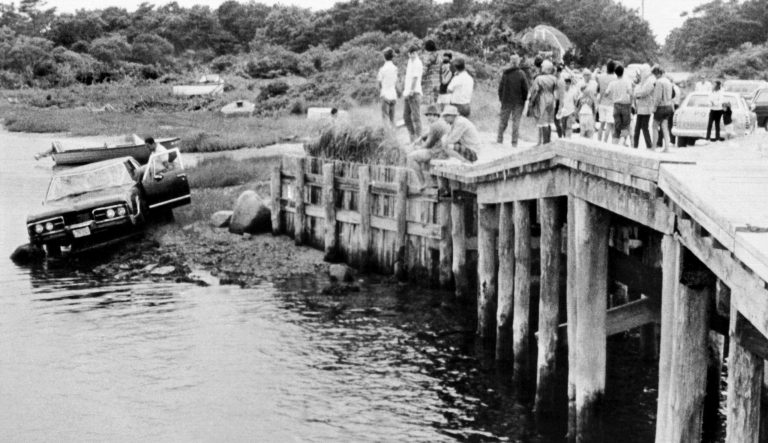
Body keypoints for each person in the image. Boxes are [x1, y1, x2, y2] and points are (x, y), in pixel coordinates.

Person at [406, 104, 451, 190]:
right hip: (445, 152)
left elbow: (427, 144)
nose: (428, 118)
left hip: (437, 153)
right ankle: (433, 181)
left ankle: (423, 183)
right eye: (427, 115)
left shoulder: (434, 126)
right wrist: (421, 138)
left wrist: (417, 147)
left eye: (430, 115)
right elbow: (430, 134)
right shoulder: (442, 122)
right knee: (421, 154)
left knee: (411, 157)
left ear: (436, 116)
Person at [497, 53, 529, 147]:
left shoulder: (505, 74)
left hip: (506, 101)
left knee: (503, 121)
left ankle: (499, 139)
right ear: (518, 62)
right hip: (518, 102)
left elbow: (500, 88)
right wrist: (524, 99)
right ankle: (514, 142)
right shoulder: (521, 74)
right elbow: (525, 89)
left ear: (510, 62)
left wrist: (501, 99)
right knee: (516, 122)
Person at [527, 60, 558, 145]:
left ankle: (544, 142)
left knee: (543, 122)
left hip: (542, 100)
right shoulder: (554, 78)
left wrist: (531, 102)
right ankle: (548, 141)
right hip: (551, 100)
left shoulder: (539, 78)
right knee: (549, 122)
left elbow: (535, 91)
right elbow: (556, 91)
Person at [604, 64, 633, 146]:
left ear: (615, 73)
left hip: (616, 105)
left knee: (617, 127)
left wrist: (612, 97)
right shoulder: (627, 82)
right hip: (625, 105)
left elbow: (606, 94)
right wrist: (631, 103)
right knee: (625, 126)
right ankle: (621, 142)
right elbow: (631, 94)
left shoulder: (612, 83)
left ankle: (615, 144)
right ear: (623, 72)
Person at [402, 45, 424, 142]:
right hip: (407, 93)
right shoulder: (410, 62)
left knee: (416, 117)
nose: (412, 55)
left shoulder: (417, 63)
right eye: (411, 53)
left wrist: (411, 90)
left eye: (414, 53)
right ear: (408, 54)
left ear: (416, 53)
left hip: (414, 93)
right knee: (406, 116)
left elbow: (415, 78)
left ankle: (419, 139)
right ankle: (412, 137)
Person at [651, 66, 674, 151]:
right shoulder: (668, 81)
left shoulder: (659, 82)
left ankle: (653, 147)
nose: (654, 76)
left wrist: (654, 107)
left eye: (654, 74)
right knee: (665, 127)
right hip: (668, 106)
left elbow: (658, 97)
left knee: (654, 126)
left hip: (661, 107)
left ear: (657, 73)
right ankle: (666, 147)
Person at [633, 65, 656, 149]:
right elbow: (636, 92)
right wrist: (637, 93)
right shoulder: (642, 82)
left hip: (646, 108)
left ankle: (648, 144)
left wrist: (637, 94)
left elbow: (644, 92)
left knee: (644, 127)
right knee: (638, 128)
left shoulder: (649, 82)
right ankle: (635, 144)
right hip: (640, 108)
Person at [377, 47, 398, 127]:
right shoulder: (395, 68)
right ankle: (394, 135)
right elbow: (395, 81)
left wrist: (381, 91)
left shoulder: (382, 69)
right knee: (392, 118)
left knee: (385, 118)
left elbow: (379, 83)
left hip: (385, 95)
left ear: (384, 57)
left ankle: (388, 136)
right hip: (393, 95)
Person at [596, 60, 617, 142]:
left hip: (602, 102)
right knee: (609, 124)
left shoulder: (601, 76)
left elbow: (598, 89)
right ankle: (605, 141)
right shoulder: (615, 78)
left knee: (601, 124)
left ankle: (598, 140)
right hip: (611, 104)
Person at [421, 39, 441, 106]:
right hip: (438, 82)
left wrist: (420, 79)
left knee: (430, 103)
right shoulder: (439, 56)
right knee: (437, 101)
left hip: (430, 83)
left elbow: (424, 71)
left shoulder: (429, 57)